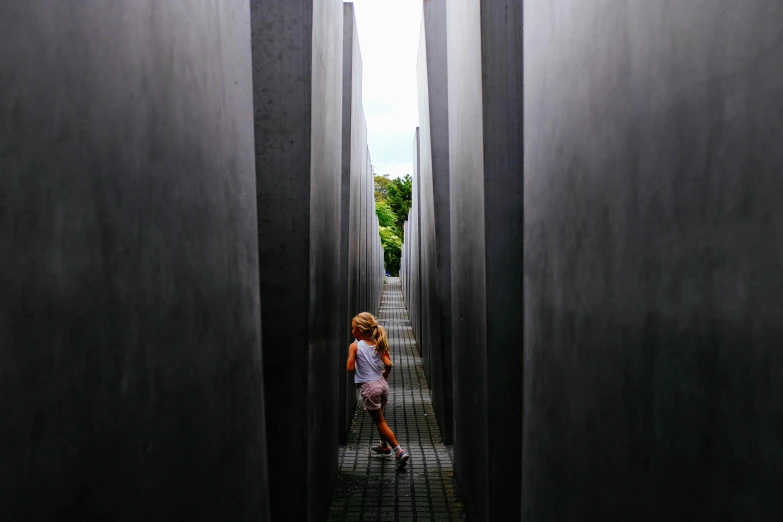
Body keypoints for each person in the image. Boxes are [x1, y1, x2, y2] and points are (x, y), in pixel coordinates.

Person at [346, 312, 410, 471]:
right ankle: (384, 446)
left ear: (360, 330)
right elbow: (388, 364)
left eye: (353, 328)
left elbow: (349, 368)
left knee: (380, 422)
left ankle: (398, 451)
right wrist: (385, 376)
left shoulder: (355, 346)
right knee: (380, 419)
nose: (351, 331)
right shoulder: (379, 343)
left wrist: (353, 359)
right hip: (382, 385)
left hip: (369, 388)